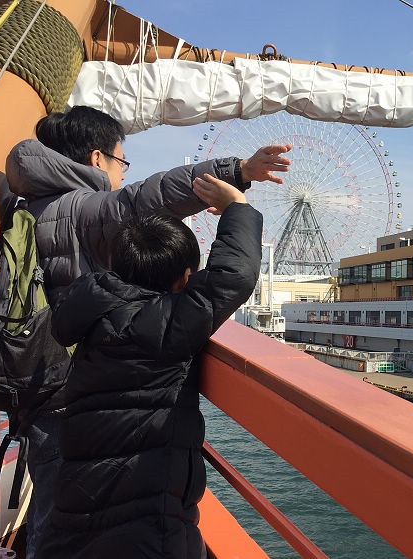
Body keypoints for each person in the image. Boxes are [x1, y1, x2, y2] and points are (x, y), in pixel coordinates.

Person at [5, 105, 291, 558]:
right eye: (122, 160)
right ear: (97, 158)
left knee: (60, 513)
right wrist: (235, 177)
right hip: (69, 400)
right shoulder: (82, 208)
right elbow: (148, 201)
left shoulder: (24, 205)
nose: (123, 172)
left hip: (40, 387)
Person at [38, 178, 258, 558]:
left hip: (77, 503)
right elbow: (233, 276)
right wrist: (238, 206)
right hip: (147, 522)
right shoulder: (165, 325)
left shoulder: (93, 312)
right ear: (184, 279)